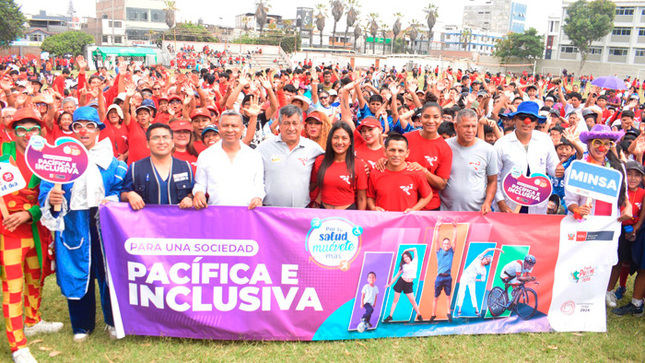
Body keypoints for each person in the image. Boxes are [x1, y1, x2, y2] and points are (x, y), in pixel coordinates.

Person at [39, 106, 127, 343]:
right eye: (79, 126)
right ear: (73, 129)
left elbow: (122, 188)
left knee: (109, 271)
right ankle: (81, 325)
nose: (84, 131)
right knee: (76, 271)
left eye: (90, 126)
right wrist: (51, 198)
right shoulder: (59, 160)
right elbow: (46, 191)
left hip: (105, 223)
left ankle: (112, 320)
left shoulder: (111, 161)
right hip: (73, 223)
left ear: (98, 129)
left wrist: (115, 198)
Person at [0, 108, 63, 363]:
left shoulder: (46, 158)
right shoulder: (3, 155)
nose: (28, 134)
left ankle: (33, 320)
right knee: (13, 288)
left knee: (35, 278)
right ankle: (18, 346)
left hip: (36, 229)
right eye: (22, 129)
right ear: (13, 132)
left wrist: (31, 214)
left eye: (33, 129)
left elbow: (49, 197)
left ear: (41, 132)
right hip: (9, 232)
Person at [495, 101, 559, 214]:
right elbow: (494, 177)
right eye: (523, 117)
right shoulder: (502, 144)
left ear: (536, 122)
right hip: (509, 206)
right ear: (515, 119)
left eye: (531, 118)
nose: (527, 122)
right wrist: (501, 202)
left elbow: (553, 168)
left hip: (536, 205)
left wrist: (559, 170)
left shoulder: (545, 140)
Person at [192, 110, 264, 209]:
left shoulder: (254, 156)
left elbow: (259, 185)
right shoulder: (206, 155)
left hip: (247, 215)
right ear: (219, 128)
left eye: (234, 126)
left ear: (242, 129)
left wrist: (258, 197)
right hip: (216, 214)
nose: (230, 130)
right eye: (225, 125)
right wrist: (199, 193)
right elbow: (200, 184)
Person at [257, 105, 323, 208]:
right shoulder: (263, 148)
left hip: (301, 212)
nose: (291, 128)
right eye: (286, 123)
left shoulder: (313, 148)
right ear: (279, 125)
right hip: (269, 214)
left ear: (301, 125)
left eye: (295, 123)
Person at [121, 123, 194, 210]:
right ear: (147, 143)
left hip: (178, 221)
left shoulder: (185, 167)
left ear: (172, 142)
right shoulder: (135, 168)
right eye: (155, 138)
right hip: (146, 222)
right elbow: (123, 194)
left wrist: (190, 199)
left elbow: (192, 193)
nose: (161, 142)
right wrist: (130, 195)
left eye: (165, 137)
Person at [441, 109, 498, 214]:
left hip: (477, 213)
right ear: (456, 126)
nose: (470, 130)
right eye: (466, 126)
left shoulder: (488, 150)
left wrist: (488, 202)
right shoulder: (443, 146)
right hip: (446, 213)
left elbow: (493, 181)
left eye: (473, 126)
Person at [607, 161, 645, 311]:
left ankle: (627, 293)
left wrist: (636, 227)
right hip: (618, 230)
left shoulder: (642, 193)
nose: (633, 178)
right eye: (629, 174)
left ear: (642, 178)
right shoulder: (618, 191)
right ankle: (608, 291)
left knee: (630, 263)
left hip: (634, 232)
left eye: (637, 175)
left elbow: (642, 214)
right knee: (616, 262)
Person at [405, 102, 452, 211]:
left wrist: (423, 171)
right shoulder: (406, 138)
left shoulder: (445, 148)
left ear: (441, 119)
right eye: (426, 117)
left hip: (429, 208)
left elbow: (441, 184)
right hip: (404, 204)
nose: (431, 121)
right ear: (420, 118)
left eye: (435, 117)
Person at [367, 133, 432, 212]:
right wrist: (373, 208)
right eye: (392, 150)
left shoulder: (416, 173)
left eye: (400, 151)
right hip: (383, 221)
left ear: (407, 153)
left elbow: (428, 195)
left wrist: (414, 210)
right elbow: (370, 196)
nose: (396, 154)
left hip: (407, 222)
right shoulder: (375, 173)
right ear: (384, 151)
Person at [310, 122, 367, 210]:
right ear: (330, 140)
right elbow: (313, 186)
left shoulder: (358, 164)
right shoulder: (320, 161)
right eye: (336, 138)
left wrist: (359, 219)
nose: (339, 142)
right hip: (324, 212)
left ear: (350, 141)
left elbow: (361, 198)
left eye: (344, 138)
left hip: (348, 214)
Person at [454, 248, 503, 317]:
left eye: (487, 261)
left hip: (471, 280)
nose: (486, 261)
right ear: (484, 258)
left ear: (487, 263)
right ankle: (459, 311)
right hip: (464, 277)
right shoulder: (478, 259)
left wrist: (475, 280)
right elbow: (487, 250)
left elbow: (483, 280)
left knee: (473, 294)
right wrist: (498, 249)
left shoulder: (484, 270)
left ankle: (477, 310)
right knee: (462, 292)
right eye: (486, 259)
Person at [383, 247, 423, 322]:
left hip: (409, 284)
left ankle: (419, 315)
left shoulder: (415, 261)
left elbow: (414, 249)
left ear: (409, 257)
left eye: (406, 257)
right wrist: (389, 284)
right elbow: (397, 275)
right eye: (404, 258)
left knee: (413, 301)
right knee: (395, 300)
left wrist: (405, 250)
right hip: (401, 282)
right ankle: (390, 316)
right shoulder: (403, 266)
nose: (405, 258)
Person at [430, 222, 457, 323]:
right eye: (445, 243)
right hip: (439, 277)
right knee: (436, 296)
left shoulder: (451, 251)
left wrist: (455, 228)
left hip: (448, 277)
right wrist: (438, 228)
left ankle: (448, 313)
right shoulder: (439, 251)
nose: (446, 245)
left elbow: (454, 240)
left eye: (448, 244)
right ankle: (433, 314)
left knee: (448, 296)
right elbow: (436, 240)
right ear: (442, 245)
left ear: (450, 245)